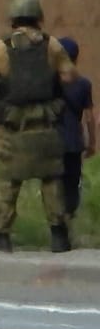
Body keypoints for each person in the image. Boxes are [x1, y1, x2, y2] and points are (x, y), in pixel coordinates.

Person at [0, 0, 78, 252]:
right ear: (38, 17)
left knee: (9, 183)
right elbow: (69, 77)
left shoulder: (0, 48)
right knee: (51, 181)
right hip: (45, 125)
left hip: (14, 128)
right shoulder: (52, 45)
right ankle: (59, 236)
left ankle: (1, 236)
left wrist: (0, 83)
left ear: (13, 19)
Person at [57, 38, 95, 218]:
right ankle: (68, 216)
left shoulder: (51, 83)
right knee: (72, 182)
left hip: (53, 140)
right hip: (74, 141)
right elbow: (89, 118)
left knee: (55, 181)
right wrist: (92, 142)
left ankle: (57, 220)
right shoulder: (84, 84)